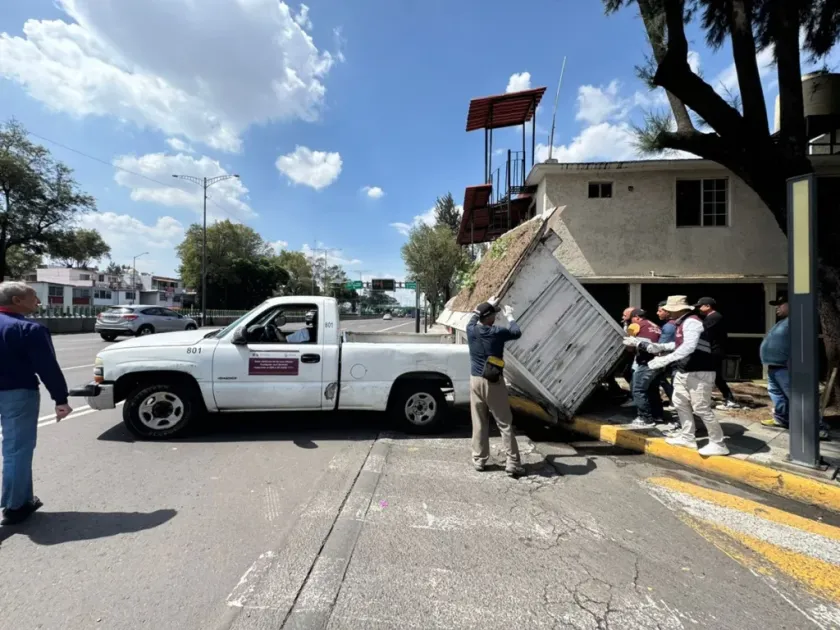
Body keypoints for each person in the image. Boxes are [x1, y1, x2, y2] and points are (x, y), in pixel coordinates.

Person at [0, 282, 72, 525]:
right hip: (17, 394)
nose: (38, 301)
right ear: (17, 301)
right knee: (16, 450)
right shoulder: (29, 329)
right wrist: (60, 400)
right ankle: (16, 505)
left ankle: (22, 498)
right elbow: (48, 368)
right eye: (33, 296)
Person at [627, 295, 729, 456]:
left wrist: (663, 360)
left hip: (699, 370)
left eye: (668, 309)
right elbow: (677, 344)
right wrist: (651, 346)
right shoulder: (682, 323)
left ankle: (718, 443)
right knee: (679, 402)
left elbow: (688, 347)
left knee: (701, 407)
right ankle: (687, 436)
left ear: (677, 310)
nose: (666, 312)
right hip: (686, 370)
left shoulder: (692, 322)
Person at [467, 298, 524, 477]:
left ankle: (479, 459)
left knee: (479, 421)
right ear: (490, 318)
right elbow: (516, 332)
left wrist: (484, 306)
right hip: (493, 382)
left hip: (475, 380)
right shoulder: (497, 332)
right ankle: (513, 463)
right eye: (495, 314)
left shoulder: (471, 330)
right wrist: (510, 316)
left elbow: (472, 319)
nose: (496, 316)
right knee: (504, 423)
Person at [760, 295, 830, 440]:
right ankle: (782, 419)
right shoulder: (784, 322)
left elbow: (803, 345)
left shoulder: (799, 320)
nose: (777, 308)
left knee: (799, 398)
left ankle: (817, 428)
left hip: (787, 368)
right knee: (777, 395)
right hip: (775, 367)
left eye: (780, 304)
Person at [695, 297, 739, 410]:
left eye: (700, 306)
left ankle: (729, 399)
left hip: (714, 351)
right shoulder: (712, 317)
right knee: (713, 376)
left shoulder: (714, 317)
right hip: (713, 350)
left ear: (708, 306)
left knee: (714, 375)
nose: (698, 309)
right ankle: (723, 398)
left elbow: (702, 330)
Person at [625, 309, 664, 429]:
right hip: (659, 361)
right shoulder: (656, 326)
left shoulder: (634, 325)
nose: (630, 321)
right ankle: (658, 415)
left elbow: (629, 347)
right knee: (653, 389)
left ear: (636, 317)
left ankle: (645, 418)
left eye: (630, 318)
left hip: (645, 362)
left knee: (638, 389)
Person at [657, 301, 676, 414]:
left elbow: (661, 346)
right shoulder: (675, 324)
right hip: (676, 357)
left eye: (660, 311)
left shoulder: (669, 326)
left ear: (667, 311)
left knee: (660, 378)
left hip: (671, 358)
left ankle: (674, 401)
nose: (657, 313)